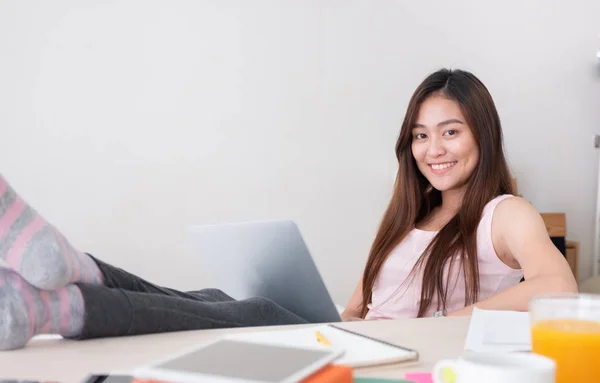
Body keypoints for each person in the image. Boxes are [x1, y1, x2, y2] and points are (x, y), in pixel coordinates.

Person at [0, 68, 577, 351]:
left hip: (402, 354)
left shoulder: (505, 212)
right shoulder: (410, 216)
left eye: (450, 132)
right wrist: (343, 317)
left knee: (247, 312)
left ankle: (60, 309)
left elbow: (559, 284)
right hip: (360, 342)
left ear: (483, 134)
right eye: (421, 136)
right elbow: (360, 305)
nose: (433, 150)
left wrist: (444, 322)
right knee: (215, 300)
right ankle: (71, 269)